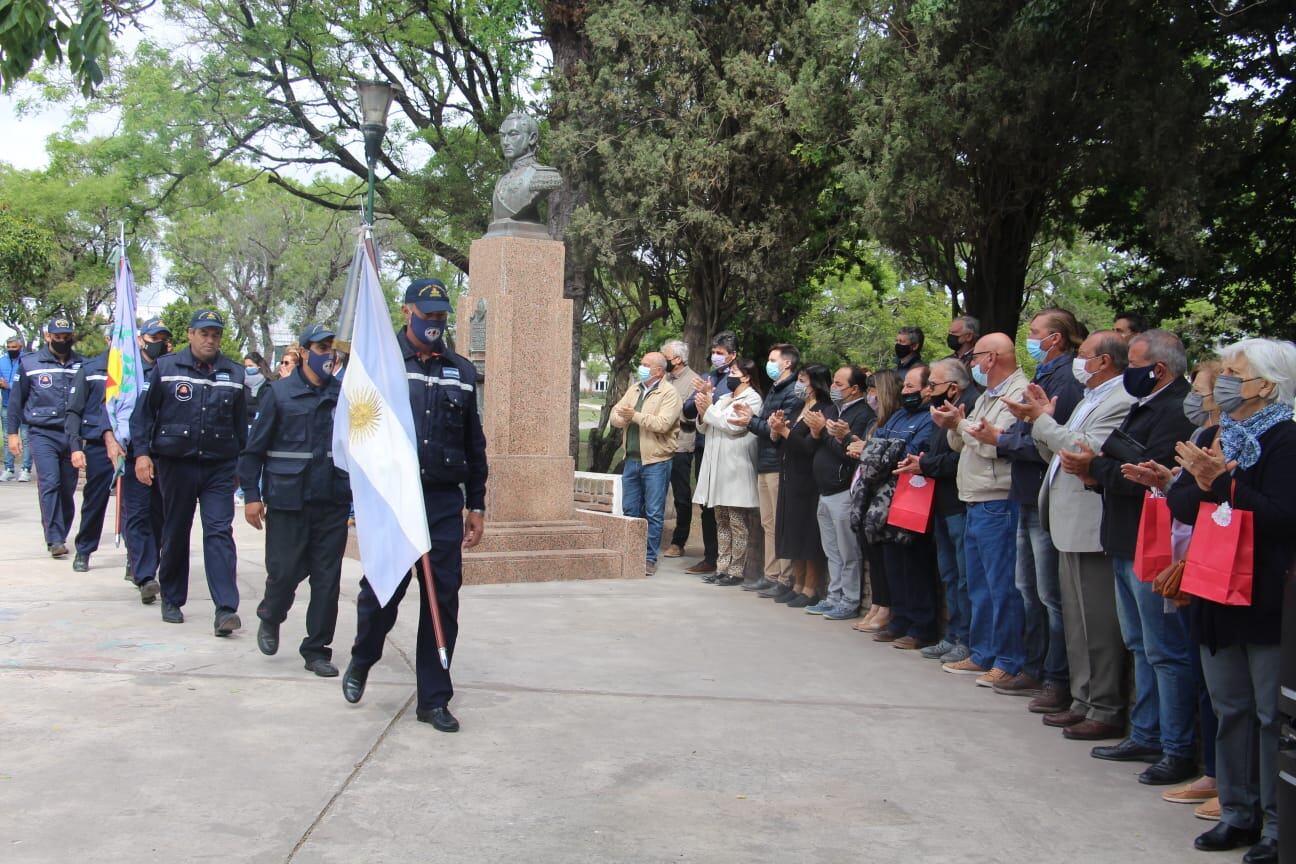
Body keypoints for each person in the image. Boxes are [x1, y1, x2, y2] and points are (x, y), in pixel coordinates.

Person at [1168, 338, 1296, 863]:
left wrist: (1222, 483)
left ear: (1266, 384)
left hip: (1264, 592)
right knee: (1230, 707)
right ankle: (1236, 812)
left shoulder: (1287, 438)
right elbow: (1182, 501)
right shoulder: (1223, 431)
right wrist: (1206, 481)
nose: (1222, 380)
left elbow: (1282, 515)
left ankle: (1274, 823)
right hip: (1215, 585)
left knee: (1269, 714)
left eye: (1233, 372)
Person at [343, 278, 487, 733]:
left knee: (442, 600)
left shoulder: (460, 371)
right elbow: (359, 432)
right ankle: (363, 657)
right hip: (394, 499)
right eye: (428, 314)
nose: (435, 323)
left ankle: (434, 698)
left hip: (442, 500)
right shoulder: (383, 366)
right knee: (382, 593)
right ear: (407, 312)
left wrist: (477, 504)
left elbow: (474, 443)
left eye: (442, 315)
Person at [1070, 331, 1197, 777]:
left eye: (1135, 365)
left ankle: (1175, 745)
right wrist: (1101, 467)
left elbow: (1142, 475)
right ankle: (1146, 734)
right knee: (1140, 645)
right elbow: (1115, 462)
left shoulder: (1176, 410)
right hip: (1125, 536)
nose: (1128, 373)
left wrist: (1096, 467)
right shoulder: (1145, 405)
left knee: (1164, 649)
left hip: (1153, 542)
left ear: (1158, 369)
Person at [1015, 331, 1135, 733]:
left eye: (1082, 355)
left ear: (1103, 361)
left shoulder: (1120, 400)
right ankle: (1083, 698)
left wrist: (1042, 419)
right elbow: (1057, 454)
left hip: (1090, 524)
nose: (1076, 363)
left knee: (1097, 623)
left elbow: (1085, 451)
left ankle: (1102, 706)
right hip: (1066, 520)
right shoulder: (1090, 398)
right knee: (1077, 623)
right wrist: (1041, 420)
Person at [1123, 358, 1223, 819]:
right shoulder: (1202, 437)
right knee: (1195, 669)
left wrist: (1212, 483)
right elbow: (1185, 501)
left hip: (1222, 565)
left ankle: (1206, 766)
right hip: (1187, 558)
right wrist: (1170, 481)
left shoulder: (1262, 440)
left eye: (1203, 390)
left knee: (1207, 672)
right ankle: (1204, 767)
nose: (1196, 399)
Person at [241, 323, 351, 678]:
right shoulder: (279, 394)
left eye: (331, 349)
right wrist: (252, 496)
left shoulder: (344, 396)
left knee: (326, 579)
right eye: (320, 348)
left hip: (331, 501)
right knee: (285, 573)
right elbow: (253, 450)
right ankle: (271, 615)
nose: (328, 355)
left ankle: (317, 649)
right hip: (289, 502)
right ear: (303, 352)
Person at [131, 309, 247, 636]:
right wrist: (142, 455)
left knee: (219, 532)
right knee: (176, 530)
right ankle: (172, 597)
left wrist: (239, 465)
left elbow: (241, 428)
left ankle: (226, 609)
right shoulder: (166, 368)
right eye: (204, 333)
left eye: (216, 334)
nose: (210, 340)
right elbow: (143, 418)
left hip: (218, 466)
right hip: (175, 463)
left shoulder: (233, 374)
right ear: (190, 334)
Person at [990, 309, 1084, 697]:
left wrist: (1005, 440)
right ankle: (1033, 665)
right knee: (1027, 587)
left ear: (1056, 338)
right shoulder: (1044, 375)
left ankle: (1056, 677)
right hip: (1025, 492)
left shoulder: (1066, 378)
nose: (1031, 339)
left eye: (1035, 333)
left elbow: (1048, 438)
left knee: (1049, 594)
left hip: (1043, 492)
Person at [932, 332, 1028, 686]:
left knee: (1002, 585)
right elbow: (966, 442)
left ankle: (1008, 658)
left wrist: (962, 426)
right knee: (979, 586)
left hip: (997, 498)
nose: (972, 363)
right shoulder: (989, 395)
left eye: (976, 357)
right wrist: (954, 425)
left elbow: (996, 444)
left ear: (993, 357)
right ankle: (983, 651)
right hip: (974, 496)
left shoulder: (1018, 393)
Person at [907, 358, 978, 662]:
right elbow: (937, 451)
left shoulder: (969, 407)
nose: (928, 392)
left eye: (932, 385)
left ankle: (968, 640)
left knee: (965, 577)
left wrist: (925, 464)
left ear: (952, 386)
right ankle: (952, 634)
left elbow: (960, 459)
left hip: (960, 504)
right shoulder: (941, 410)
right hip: (941, 503)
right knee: (949, 574)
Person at [868, 364, 937, 649]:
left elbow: (911, 450)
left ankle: (921, 626)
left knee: (915, 564)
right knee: (892, 561)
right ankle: (899, 619)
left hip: (914, 495)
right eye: (904, 386)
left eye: (911, 387)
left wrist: (882, 450)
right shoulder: (897, 414)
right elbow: (879, 443)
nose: (905, 391)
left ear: (927, 389)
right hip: (887, 497)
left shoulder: (929, 418)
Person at [7, 318, 85, 557]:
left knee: (67, 489)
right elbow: (16, 402)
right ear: (47, 336)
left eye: (66, 336)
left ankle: (60, 530)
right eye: (57, 336)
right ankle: (55, 538)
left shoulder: (82, 364)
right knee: (50, 483)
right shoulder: (30, 364)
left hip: (72, 436)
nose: (62, 340)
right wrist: (12, 434)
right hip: (42, 433)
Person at [732, 343, 801, 597]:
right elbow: (767, 425)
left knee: (779, 523)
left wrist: (751, 421)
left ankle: (785, 577)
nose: (769, 364)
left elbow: (778, 433)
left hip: (778, 463)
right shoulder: (776, 388)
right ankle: (771, 574)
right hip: (765, 461)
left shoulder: (793, 391)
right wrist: (752, 419)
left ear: (787, 363)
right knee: (768, 523)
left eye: (773, 360)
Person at [808, 365, 876, 619]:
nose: (833, 388)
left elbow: (850, 453)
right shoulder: (835, 410)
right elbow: (826, 443)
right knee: (832, 549)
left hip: (843, 490)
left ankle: (849, 599)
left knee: (848, 551)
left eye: (839, 384)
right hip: (824, 489)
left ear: (855, 389)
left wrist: (826, 432)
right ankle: (833, 594)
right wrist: (818, 432)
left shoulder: (862, 414)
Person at [609, 351, 682, 575]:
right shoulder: (635, 388)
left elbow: (662, 424)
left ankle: (649, 558)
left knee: (653, 512)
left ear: (659, 371)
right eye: (641, 363)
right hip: (631, 459)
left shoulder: (669, 394)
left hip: (656, 461)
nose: (641, 367)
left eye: (645, 364)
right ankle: (631, 553)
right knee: (630, 509)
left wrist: (634, 416)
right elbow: (615, 413)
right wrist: (622, 417)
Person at [692, 358, 763, 586]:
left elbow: (733, 426)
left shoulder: (752, 398)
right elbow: (705, 425)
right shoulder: (723, 398)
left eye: (733, 371)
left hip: (736, 467)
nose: (729, 375)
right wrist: (703, 409)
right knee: (720, 519)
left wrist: (709, 409)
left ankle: (736, 570)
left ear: (746, 376)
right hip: (717, 466)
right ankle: (721, 567)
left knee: (736, 522)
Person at [768, 363, 828, 607]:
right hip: (789, 474)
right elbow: (785, 443)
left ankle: (810, 587)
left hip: (808, 479)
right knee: (793, 532)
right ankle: (796, 581)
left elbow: (808, 447)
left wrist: (785, 432)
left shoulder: (824, 409)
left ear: (815, 383)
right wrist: (777, 429)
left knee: (807, 534)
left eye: (803, 380)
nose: (799, 385)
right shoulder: (800, 408)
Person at [121, 317, 172, 603]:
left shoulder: (172, 370)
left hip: (165, 455)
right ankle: (144, 576)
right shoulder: (129, 372)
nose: (159, 344)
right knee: (138, 514)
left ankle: (150, 566)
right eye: (154, 338)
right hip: (135, 452)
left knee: (160, 517)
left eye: (163, 338)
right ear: (142, 339)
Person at [681, 331, 738, 575]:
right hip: (704, 446)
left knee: (725, 505)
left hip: (727, 448)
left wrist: (711, 398)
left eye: (720, 353)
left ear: (733, 355)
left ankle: (730, 562)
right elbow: (688, 410)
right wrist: (703, 393)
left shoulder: (735, 380)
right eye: (713, 353)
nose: (715, 357)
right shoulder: (707, 377)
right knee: (705, 504)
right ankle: (710, 557)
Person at [64, 348, 124, 572]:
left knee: (134, 505)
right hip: (98, 444)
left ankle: (136, 559)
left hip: (130, 445)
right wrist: (75, 446)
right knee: (95, 501)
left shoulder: (136, 370)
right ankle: (85, 549)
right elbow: (74, 410)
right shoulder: (90, 369)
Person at [855, 371, 900, 632]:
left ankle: (887, 607)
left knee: (885, 554)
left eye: (873, 390)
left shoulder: (894, 420)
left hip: (885, 495)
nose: (870, 395)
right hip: (866, 492)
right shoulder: (875, 422)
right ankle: (878, 604)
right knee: (872, 553)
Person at [660, 340, 701, 559]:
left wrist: (669, 411)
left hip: (680, 445)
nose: (661, 358)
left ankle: (678, 542)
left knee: (681, 496)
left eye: (664, 355)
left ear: (677, 359)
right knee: (654, 494)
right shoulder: (663, 378)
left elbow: (692, 416)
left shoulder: (695, 381)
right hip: (658, 444)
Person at [1, 334, 33, 482]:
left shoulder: (27, 361)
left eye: (14, 347)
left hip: (25, 406)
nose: (10, 350)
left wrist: (9, 386)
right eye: (8, 347)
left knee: (26, 438)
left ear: (20, 347)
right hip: (7, 405)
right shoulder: (2, 361)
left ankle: (26, 469)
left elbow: (29, 385)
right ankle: (8, 469)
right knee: (8, 437)